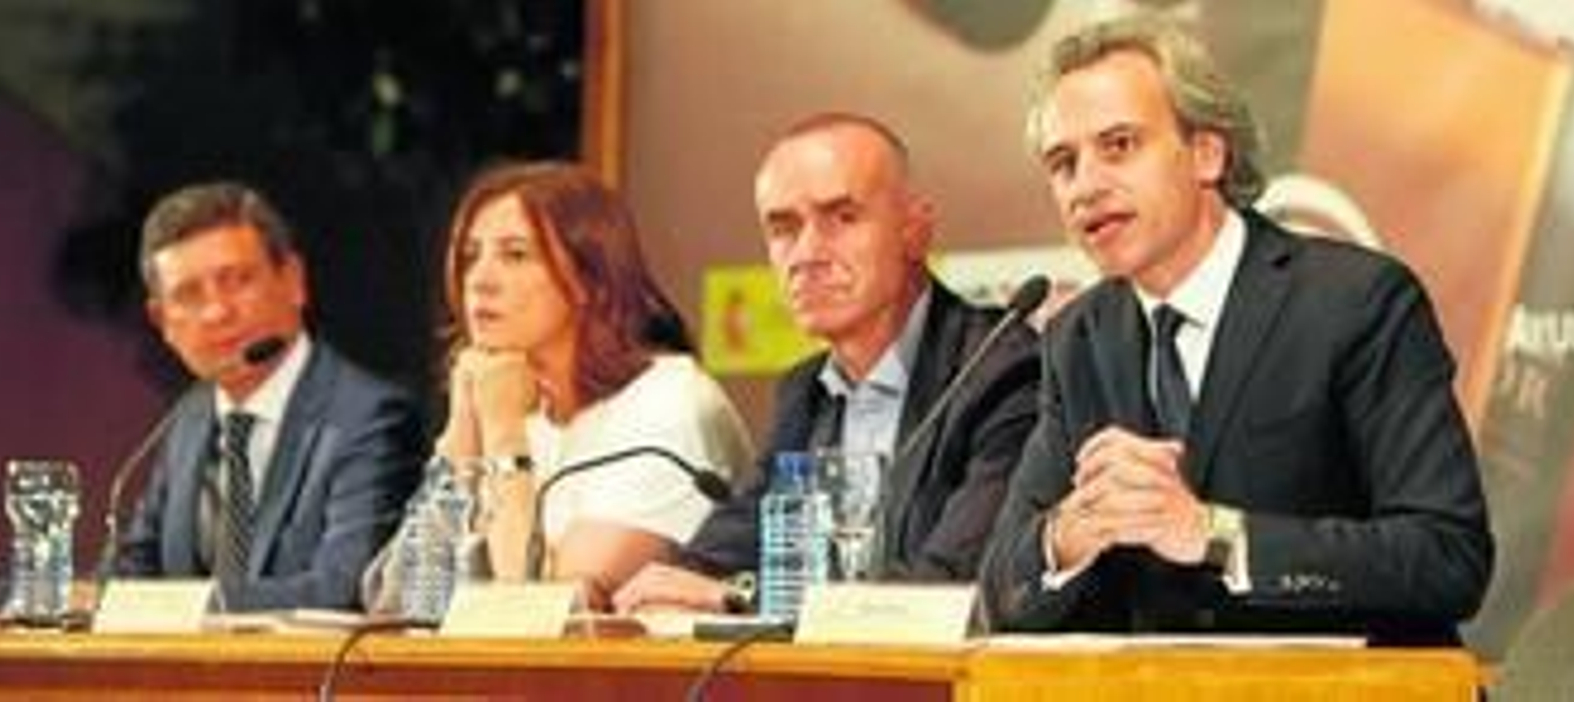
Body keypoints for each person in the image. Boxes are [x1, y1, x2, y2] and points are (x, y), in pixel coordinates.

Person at [979, 17, 1493, 645]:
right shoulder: (1079, 337)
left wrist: (1215, 535)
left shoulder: (1356, 302)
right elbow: (1002, 589)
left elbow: (1448, 559)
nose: (1085, 185)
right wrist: (1069, 533)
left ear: (1207, 153)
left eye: (1118, 146)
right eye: (1063, 163)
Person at [614, 113, 1040, 614]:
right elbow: (719, 553)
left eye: (842, 217)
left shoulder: (1000, 368)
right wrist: (677, 585)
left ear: (914, 231)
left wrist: (741, 597)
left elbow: (952, 587)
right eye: (783, 228)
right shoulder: (806, 391)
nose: (807, 253)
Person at [370, 161, 755, 612]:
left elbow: (552, 611)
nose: (480, 280)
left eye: (515, 255)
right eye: (471, 256)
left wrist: (505, 438)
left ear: (589, 278)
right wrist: (461, 434)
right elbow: (395, 604)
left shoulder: (669, 399)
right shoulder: (509, 399)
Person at [119, 181, 424, 611]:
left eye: (236, 281)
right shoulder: (188, 419)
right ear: (162, 321)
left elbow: (346, 587)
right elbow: (133, 572)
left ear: (294, 280)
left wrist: (182, 608)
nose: (217, 312)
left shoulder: (370, 417)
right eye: (189, 295)